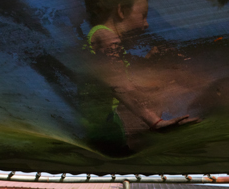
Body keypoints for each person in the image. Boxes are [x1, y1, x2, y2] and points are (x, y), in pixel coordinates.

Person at [82, 0, 198, 156]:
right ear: (121, 11)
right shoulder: (107, 37)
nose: (146, 24)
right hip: (103, 127)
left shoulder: (99, 35)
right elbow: (120, 86)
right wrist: (155, 121)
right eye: (143, 16)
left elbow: (111, 77)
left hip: (106, 123)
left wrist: (147, 62)